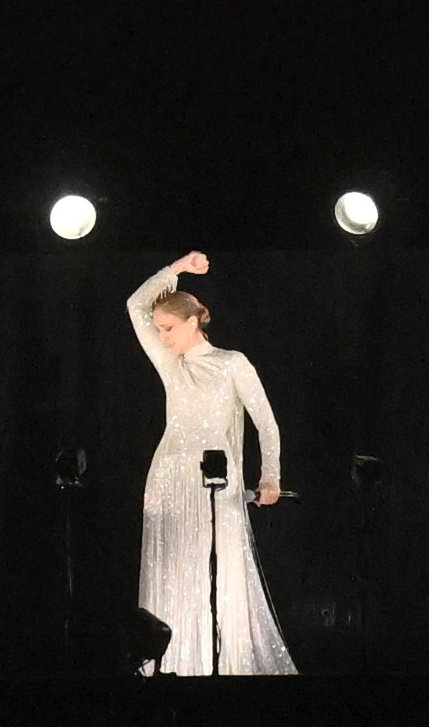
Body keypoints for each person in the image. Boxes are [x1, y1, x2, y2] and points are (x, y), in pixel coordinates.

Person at [126, 252, 296, 676]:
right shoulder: (171, 364)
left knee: (221, 572)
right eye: (159, 329)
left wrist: (269, 476)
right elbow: (134, 306)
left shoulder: (231, 363)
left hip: (218, 480)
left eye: (168, 328)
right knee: (174, 573)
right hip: (170, 478)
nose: (162, 337)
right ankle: (172, 666)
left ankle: (224, 670)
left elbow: (266, 423)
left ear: (192, 321)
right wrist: (176, 268)